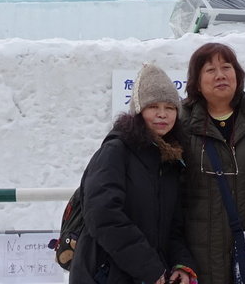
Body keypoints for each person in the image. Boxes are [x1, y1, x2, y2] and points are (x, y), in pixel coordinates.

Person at [70, 63, 198, 284]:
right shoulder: (116, 150)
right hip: (108, 274)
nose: (162, 114)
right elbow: (103, 215)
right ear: (138, 111)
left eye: (169, 107)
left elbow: (173, 227)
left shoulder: (170, 158)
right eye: (153, 107)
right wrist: (148, 267)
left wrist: (181, 264)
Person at [180, 42, 245, 284]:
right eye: (210, 70)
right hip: (198, 254)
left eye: (226, 67)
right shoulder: (181, 124)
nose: (220, 75)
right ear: (196, 81)